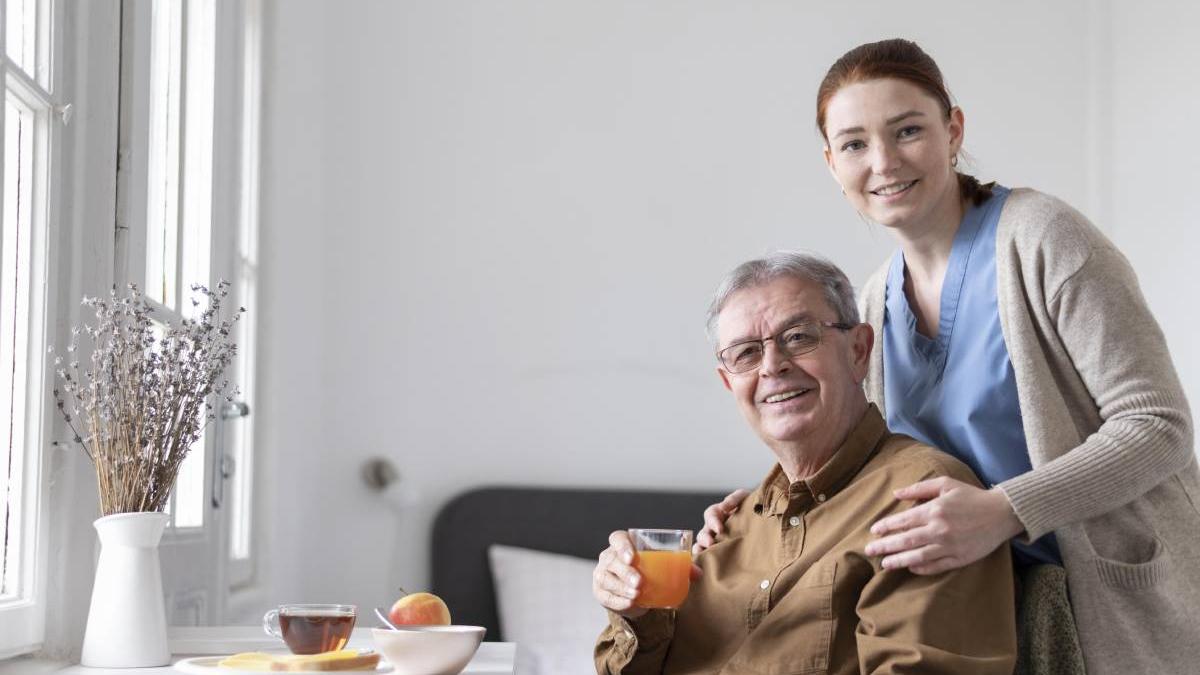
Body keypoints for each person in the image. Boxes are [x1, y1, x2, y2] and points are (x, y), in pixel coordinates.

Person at [697, 38, 1200, 674]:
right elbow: (864, 457)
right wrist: (760, 512)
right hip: (980, 607)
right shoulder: (874, 301)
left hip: (1109, 606)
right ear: (831, 163)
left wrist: (1006, 510)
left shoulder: (1043, 240)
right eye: (854, 143)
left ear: (952, 130)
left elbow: (1159, 426)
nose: (882, 162)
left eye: (907, 130)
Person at [592, 252, 1017, 674]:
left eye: (798, 337)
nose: (773, 367)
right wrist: (635, 611)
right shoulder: (730, 525)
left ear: (858, 350)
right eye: (745, 354)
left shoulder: (921, 499)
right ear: (729, 383)